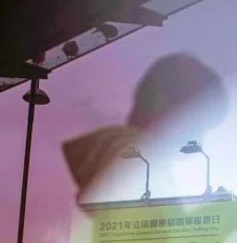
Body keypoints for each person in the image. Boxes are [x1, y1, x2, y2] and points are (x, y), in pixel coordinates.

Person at [62, 52, 228, 203]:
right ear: (165, 107)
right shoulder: (141, 159)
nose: (201, 136)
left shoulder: (133, 156)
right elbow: (143, 230)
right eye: (199, 124)